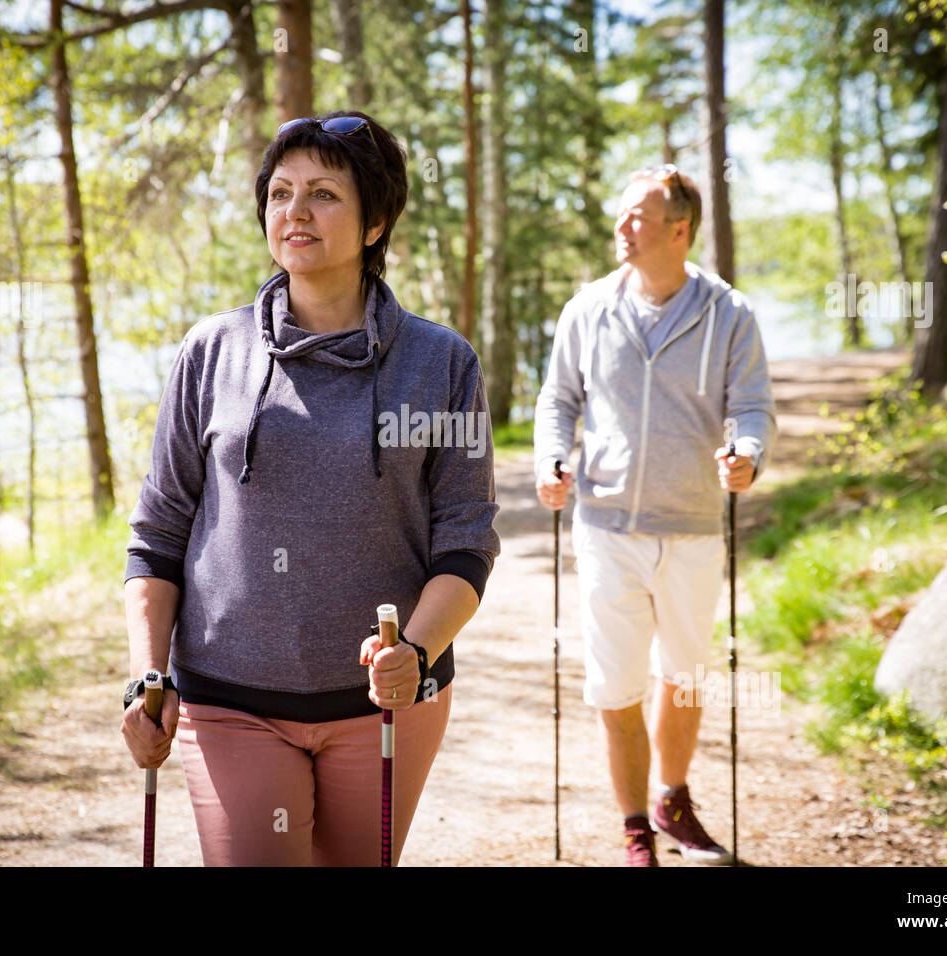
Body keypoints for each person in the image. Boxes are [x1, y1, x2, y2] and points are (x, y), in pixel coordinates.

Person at [120, 111, 500, 866]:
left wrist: (416, 655)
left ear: (376, 221)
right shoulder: (210, 353)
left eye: (324, 193)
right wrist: (146, 677)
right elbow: (157, 536)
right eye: (281, 193)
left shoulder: (442, 364)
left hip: (389, 703)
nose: (295, 211)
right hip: (230, 698)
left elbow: (466, 541)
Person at [534, 165, 775, 866]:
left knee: (687, 675)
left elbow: (752, 405)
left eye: (637, 216)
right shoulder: (588, 308)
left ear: (679, 229)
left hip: (694, 528)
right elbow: (559, 400)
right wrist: (552, 458)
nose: (622, 226)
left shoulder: (730, 313)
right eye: (621, 213)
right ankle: (635, 824)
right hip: (606, 527)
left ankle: (673, 797)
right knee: (616, 685)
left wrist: (747, 454)